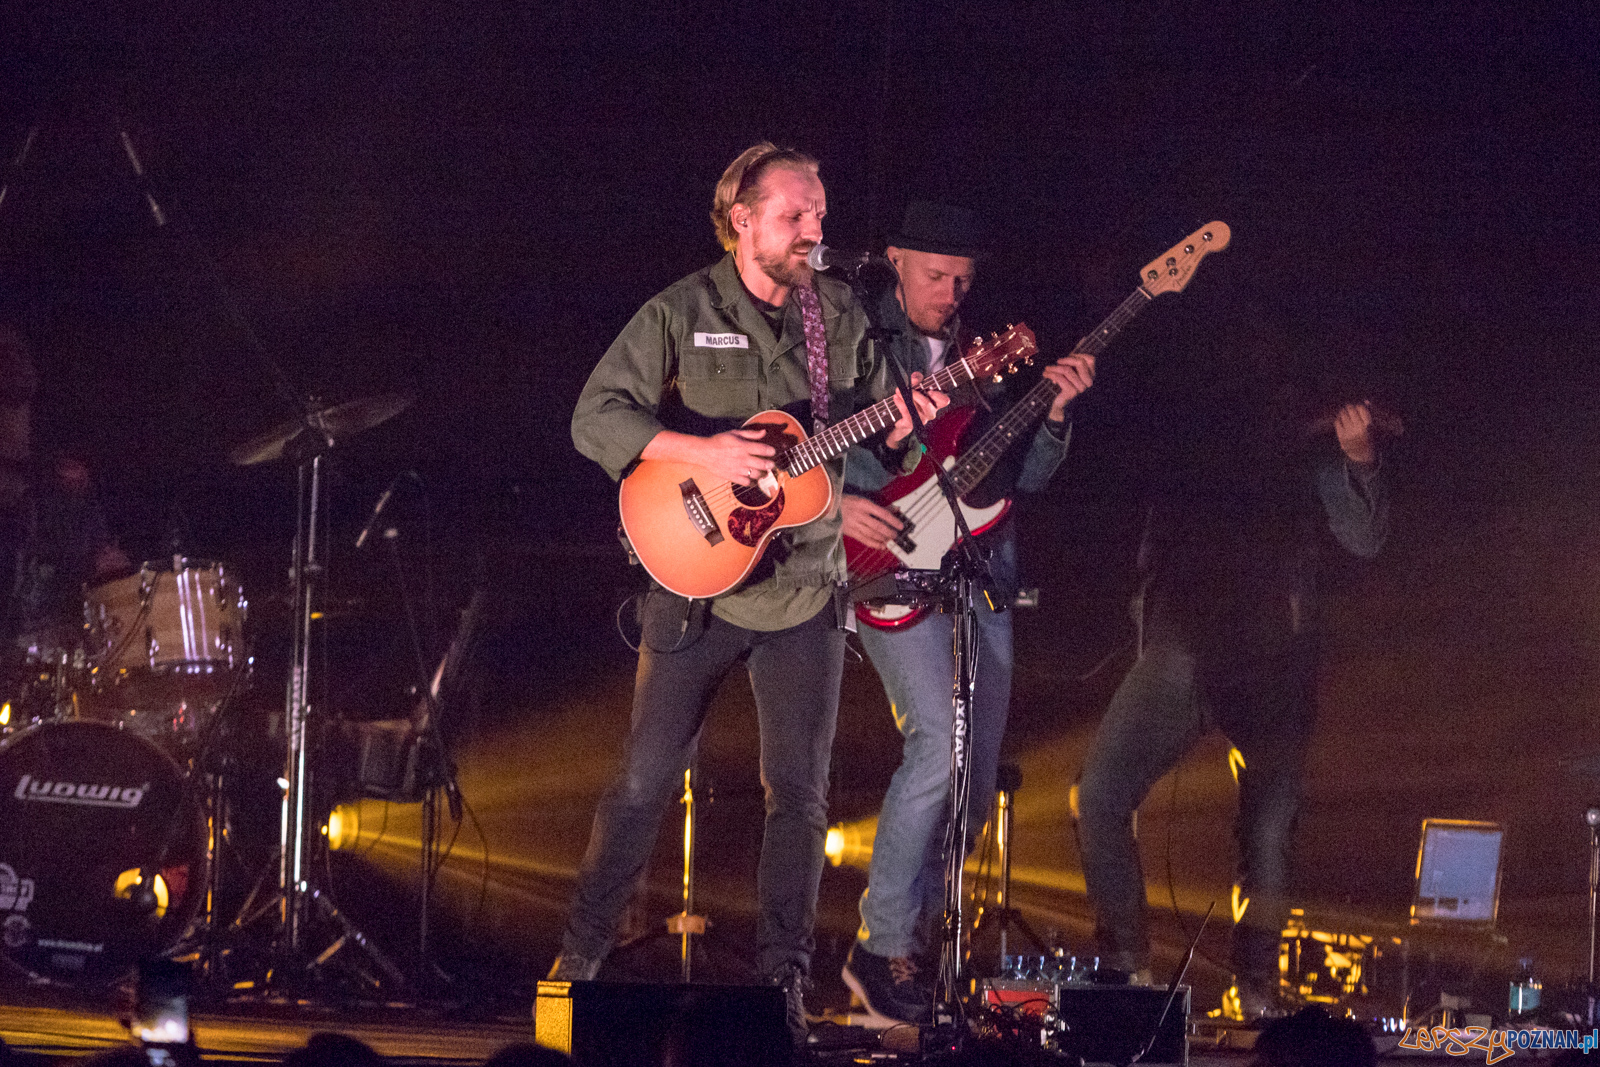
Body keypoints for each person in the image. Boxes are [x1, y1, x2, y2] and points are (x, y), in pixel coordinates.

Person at [558, 143, 945, 1040]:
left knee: (800, 795)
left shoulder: (841, 311)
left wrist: (914, 417)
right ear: (744, 220)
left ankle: (783, 987)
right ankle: (578, 960)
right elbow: (595, 417)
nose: (816, 230)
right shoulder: (682, 310)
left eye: (820, 214)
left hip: (803, 587)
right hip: (694, 584)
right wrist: (702, 452)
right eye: (796, 215)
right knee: (645, 779)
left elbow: (884, 435)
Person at [1072, 320, 1389, 1021]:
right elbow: (1147, 542)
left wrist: (1359, 455)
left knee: (1267, 830)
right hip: (1185, 648)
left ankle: (1253, 988)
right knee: (1100, 795)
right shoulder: (1186, 435)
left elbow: (1365, 537)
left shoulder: (1310, 448)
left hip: (1271, 659)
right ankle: (1127, 965)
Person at [837, 202, 1096, 1026]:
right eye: (936, 276)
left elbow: (1011, 478)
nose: (950, 293)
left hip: (977, 569)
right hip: (889, 564)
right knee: (937, 754)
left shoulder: (984, 355)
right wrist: (845, 500)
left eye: (963, 281)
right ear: (894, 262)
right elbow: (817, 440)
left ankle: (918, 952)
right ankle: (878, 946)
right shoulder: (859, 338)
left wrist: (1051, 418)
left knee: (975, 784)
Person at [0, 327, 129, 661]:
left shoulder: (64, 491)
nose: (9, 359)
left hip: (58, 671)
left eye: (14, 349)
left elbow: (113, 574)